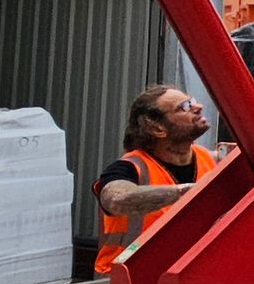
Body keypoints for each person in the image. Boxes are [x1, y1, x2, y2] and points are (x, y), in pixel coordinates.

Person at [94, 83, 221, 273]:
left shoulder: (211, 159)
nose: (198, 107)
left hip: (184, 277)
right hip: (125, 283)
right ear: (158, 129)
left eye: (192, 101)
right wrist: (186, 192)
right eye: (184, 107)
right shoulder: (130, 167)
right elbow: (115, 199)